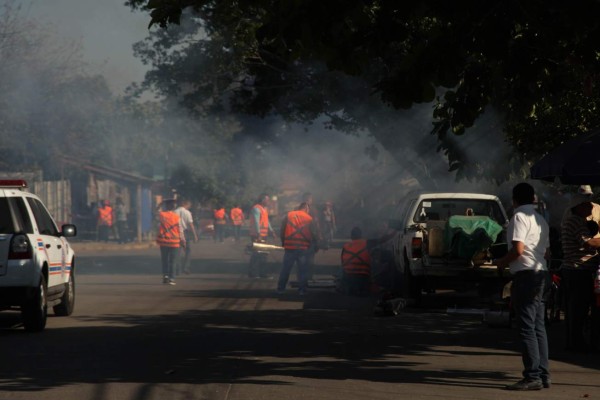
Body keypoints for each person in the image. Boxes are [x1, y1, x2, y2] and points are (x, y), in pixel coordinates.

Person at [496, 182, 550, 391]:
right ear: (534, 198)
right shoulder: (541, 220)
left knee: (527, 327)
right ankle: (543, 375)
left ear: (514, 199)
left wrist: (501, 262)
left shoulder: (519, 217)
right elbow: (546, 253)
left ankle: (532, 376)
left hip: (527, 276)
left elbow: (518, 249)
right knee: (538, 327)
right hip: (541, 273)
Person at [560, 187, 600, 353]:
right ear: (579, 206)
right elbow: (588, 243)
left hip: (577, 271)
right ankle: (576, 344)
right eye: (587, 206)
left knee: (578, 310)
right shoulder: (575, 221)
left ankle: (576, 341)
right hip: (577, 271)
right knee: (578, 310)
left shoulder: (579, 221)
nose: (591, 209)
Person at [339, 226, 396, 296]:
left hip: (348, 277)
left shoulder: (346, 246)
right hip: (363, 277)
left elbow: (342, 263)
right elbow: (382, 240)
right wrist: (394, 233)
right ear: (360, 235)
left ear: (351, 236)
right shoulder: (366, 243)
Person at [277, 202, 319, 295]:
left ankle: (281, 289)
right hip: (303, 248)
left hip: (290, 247)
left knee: (285, 269)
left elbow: (282, 230)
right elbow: (314, 233)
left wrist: (283, 242)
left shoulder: (289, 215)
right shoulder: (309, 218)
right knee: (302, 270)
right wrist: (316, 245)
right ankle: (302, 290)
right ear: (306, 209)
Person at [156, 198, 184, 285]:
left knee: (164, 260)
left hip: (164, 242)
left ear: (166, 206)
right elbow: (180, 229)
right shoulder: (177, 217)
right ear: (173, 207)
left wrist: (160, 205)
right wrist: (183, 240)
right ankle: (172, 278)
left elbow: (155, 212)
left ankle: (165, 276)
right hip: (175, 242)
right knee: (173, 261)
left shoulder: (162, 215)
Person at [248, 193, 277, 278]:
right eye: (267, 200)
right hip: (257, 235)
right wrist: (258, 234)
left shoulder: (263, 209)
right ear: (262, 200)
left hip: (263, 235)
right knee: (257, 254)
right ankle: (254, 273)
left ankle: (262, 273)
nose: (269, 202)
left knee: (263, 254)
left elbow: (266, 221)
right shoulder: (256, 209)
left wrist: (272, 231)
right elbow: (257, 222)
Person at [174, 198, 198, 275]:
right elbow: (191, 225)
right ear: (185, 204)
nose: (189, 206)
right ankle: (186, 268)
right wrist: (195, 235)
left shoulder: (174, 212)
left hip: (176, 233)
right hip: (184, 233)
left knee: (177, 252)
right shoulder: (187, 212)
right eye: (189, 205)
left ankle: (178, 270)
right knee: (187, 251)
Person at [302, 192, 321, 280]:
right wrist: (319, 235)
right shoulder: (313, 210)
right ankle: (307, 277)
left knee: (304, 259)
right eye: (308, 199)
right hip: (308, 238)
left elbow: (316, 223)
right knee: (308, 259)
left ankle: (304, 277)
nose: (309, 200)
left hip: (303, 238)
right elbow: (316, 224)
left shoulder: (298, 209)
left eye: (309, 199)